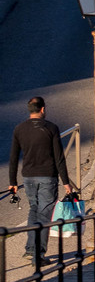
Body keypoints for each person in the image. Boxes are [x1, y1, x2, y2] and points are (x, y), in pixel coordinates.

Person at [7, 97, 74, 268]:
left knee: (34, 211)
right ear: (42, 109)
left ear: (30, 110)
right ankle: (38, 255)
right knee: (44, 216)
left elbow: (13, 157)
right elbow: (59, 158)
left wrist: (12, 181)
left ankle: (30, 249)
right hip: (47, 177)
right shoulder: (51, 128)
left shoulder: (19, 129)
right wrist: (66, 182)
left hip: (28, 177)